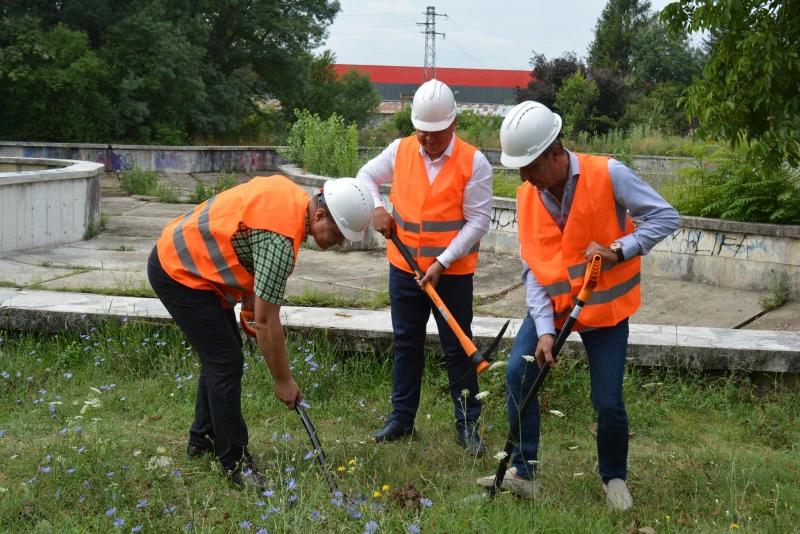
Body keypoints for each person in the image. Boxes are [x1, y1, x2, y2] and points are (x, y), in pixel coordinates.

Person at [476, 101, 680, 509]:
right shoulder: (526, 194)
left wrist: (620, 250)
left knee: (608, 402)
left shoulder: (608, 173)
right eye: (518, 167)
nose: (524, 175)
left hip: (603, 312)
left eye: (530, 165)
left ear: (555, 151)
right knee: (518, 372)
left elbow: (665, 216)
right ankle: (524, 471)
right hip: (552, 307)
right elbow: (532, 267)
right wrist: (546, 329)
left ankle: (614, 477)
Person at [147, 175, 374, 490]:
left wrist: (250, 297)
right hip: (180, 271)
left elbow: (244, 239)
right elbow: (268, 323)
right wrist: (283, 380)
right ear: (320, 215)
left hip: (189, 263)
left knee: (221, 357)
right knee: (225, 361)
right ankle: (235, 463)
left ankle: (201, 441)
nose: (339, 243)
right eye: (338, 234)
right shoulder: (281, 240)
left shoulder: (290, 197)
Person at [357, 79, 493, 455]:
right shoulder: (400, 150)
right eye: (422, 133)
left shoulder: (474, 162)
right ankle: (402, 420)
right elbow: (366, 176)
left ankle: (467, 425)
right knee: (406, 343)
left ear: (453, 124)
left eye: (436, 134)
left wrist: (442, 262)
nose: (429, 141)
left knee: (456, 348)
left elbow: (478, 221)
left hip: (451, 274)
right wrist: (377, 207)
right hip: (404, 269)